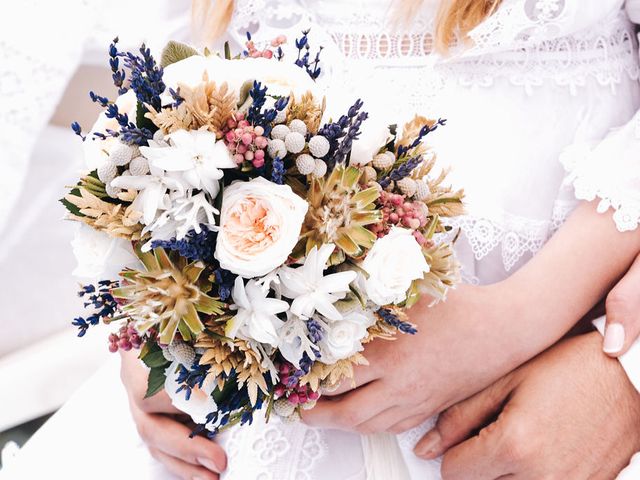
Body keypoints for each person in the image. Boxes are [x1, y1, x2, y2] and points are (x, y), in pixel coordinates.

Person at [118, 0, 640, 479]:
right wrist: (147, 306)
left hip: (540, 397)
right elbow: (160, 91)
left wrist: (611, 372)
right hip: (246, 427)